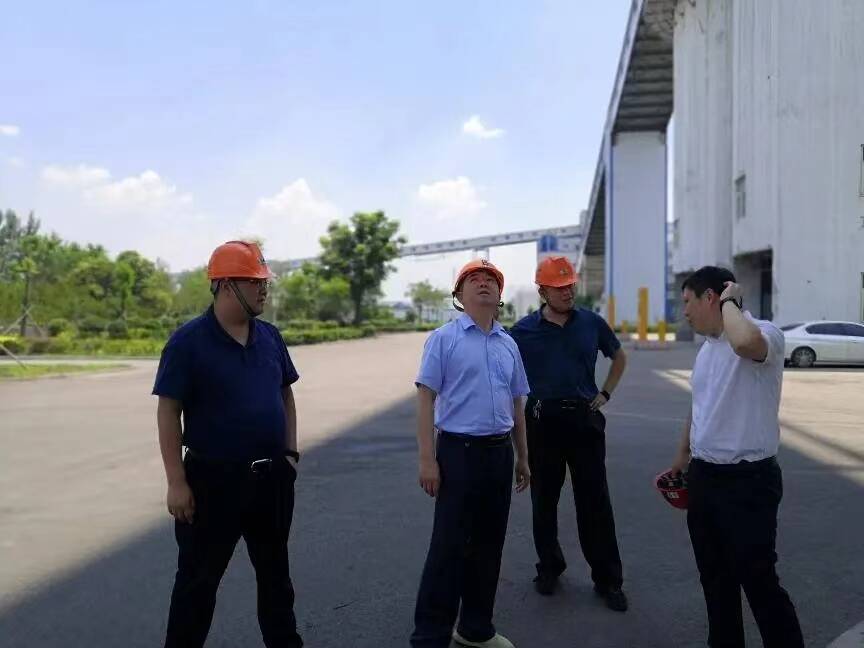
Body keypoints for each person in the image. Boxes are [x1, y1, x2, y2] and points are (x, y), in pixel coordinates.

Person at [154, 240, 303, 648]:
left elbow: (286, 394)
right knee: (197, 585)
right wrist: (176, 482)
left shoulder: (270, 337)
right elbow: (168, 411)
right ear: (225, 285)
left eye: (264, 281)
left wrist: (290, 454)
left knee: (276, 579)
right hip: (212, 483)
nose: (264, 288)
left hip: (271, 480)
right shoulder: (187, 342)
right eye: (255, 281)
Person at [670, 265, 804, 648]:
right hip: (705, 478)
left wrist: (732, 301)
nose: (685, 311)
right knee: (715, 582)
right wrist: (682, 455)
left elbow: (745, 344)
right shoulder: (705, 351)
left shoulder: (765, 333)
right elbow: (699, 406)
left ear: (711, 297)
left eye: (688, 301)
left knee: (759, 581)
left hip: (748, 483)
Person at [411, 258, 531, 648]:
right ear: (459, 295)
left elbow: (517, 404)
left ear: (500, 295)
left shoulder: (508, 344)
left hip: (499, 454)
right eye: (473, 279)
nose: (483, 283)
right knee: (448, 547)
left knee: (489, 545)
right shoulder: (444, 339)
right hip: (457, 454)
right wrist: (427, 459)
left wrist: (523, 457)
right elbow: (425, 398)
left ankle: (475, 629)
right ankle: (430, 637)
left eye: (491, 280)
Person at [509, 256, 628, 611]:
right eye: (559, 288)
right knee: (543, 501)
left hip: (584, 422)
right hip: (542, 422)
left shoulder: (591, 323)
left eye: (571, 285)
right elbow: (503, 371)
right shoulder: (523, 331)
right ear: (542, 291)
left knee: (595, 502)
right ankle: (549, 567)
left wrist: (605, 393)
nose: (568, 292)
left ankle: (608, 579)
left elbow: (619, 357)